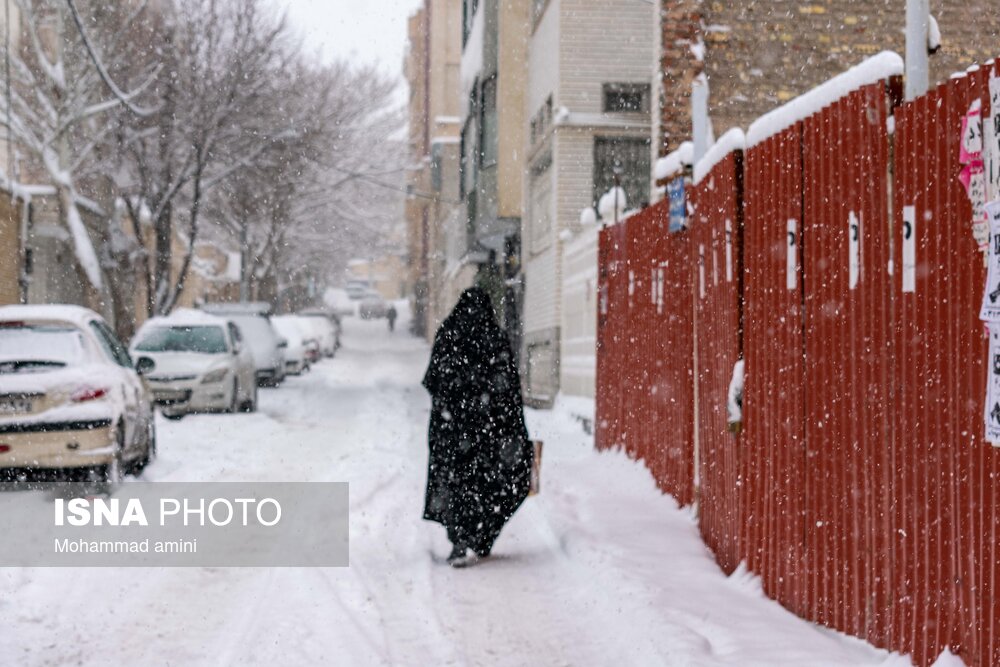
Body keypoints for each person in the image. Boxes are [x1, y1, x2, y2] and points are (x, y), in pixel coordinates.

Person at [422, 286, 533, 567]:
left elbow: (434, 381)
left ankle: (459, 539)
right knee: (486, 483)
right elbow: (507, 390)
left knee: (457, 482)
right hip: (488, 431)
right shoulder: (494, 338)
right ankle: (481, 536)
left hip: (454, 431)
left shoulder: (450, 334)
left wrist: (454, 406)